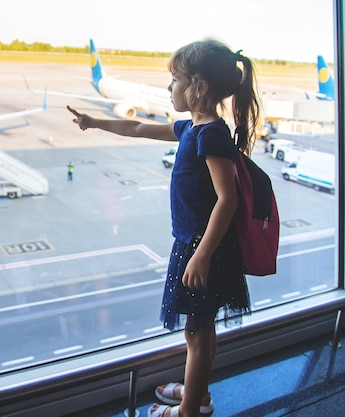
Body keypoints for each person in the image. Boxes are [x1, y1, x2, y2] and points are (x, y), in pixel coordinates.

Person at [68, 38, 259, 417]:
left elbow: (228, 199)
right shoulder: (193, 127)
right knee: (201, 329)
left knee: (196, 333)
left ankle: (190, 409)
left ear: (198, 87)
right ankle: (197, 391)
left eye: (174, 79)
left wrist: (202, 255)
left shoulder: (211, 135)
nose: (168, 87)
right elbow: (137, 127)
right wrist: (95, 122)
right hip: (196, 244)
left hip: (204, 249)